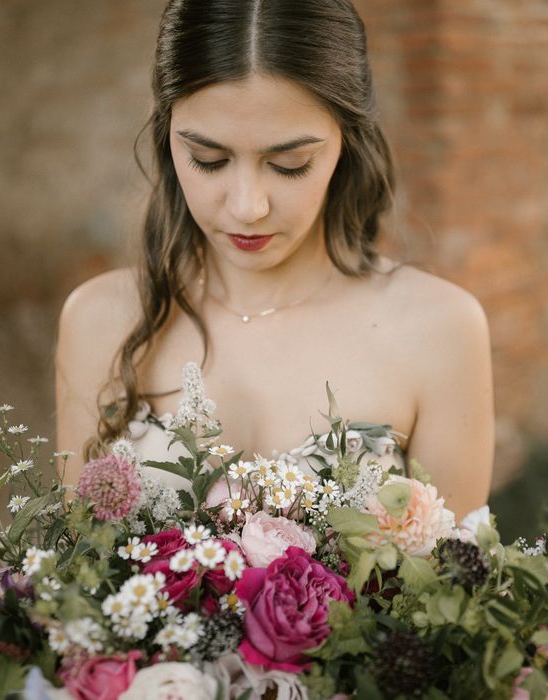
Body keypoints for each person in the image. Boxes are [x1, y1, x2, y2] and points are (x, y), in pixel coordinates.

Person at [55, 0, 493, 520]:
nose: (247, 207)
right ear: (167, 137)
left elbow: (455, 592)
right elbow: (72, 573)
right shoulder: (99, 319)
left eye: (290, 165)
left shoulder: (439, 329)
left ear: (345, 146)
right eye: (208, 160)